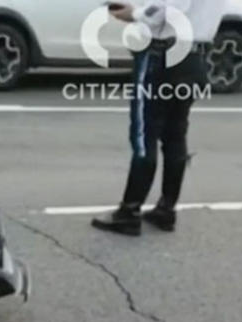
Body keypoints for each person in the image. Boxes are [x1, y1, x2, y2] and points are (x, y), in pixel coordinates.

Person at [92, 0, 227, 236]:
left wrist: (134, 13)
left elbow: (168, 9)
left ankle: (129, 212)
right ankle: (166, 209)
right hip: (197, 57)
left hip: (164, 56)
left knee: (145, 134)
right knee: (175, 134)